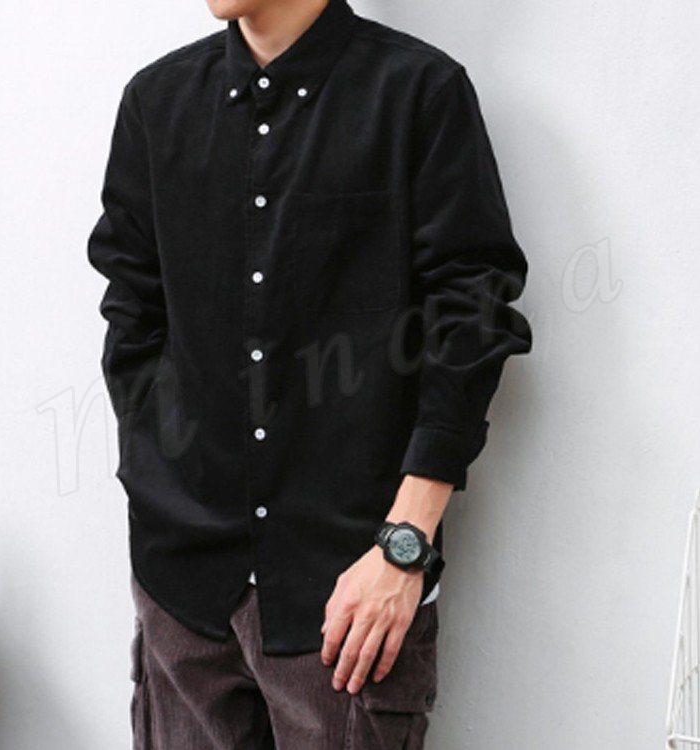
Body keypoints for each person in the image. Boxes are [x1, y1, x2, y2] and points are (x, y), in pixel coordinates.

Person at [87, 0, 532, 746]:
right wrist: (158, 481)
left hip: (351, 598)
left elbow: (471, 322)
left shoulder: (418, 94)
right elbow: (132, 314)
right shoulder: (155, 103)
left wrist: (403, 549)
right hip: (184, 594)